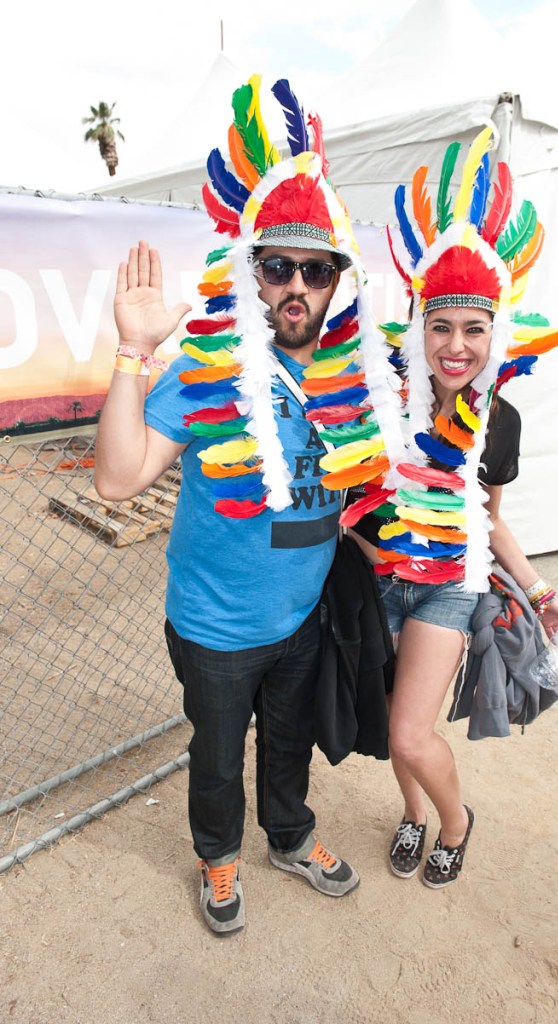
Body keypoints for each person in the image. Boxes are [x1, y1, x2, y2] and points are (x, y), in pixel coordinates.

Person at [93, 75, 397, 935]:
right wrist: (132, 350)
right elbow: (117, 480)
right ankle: (218, 855)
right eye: (277, 266)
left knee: (289, 747)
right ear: (251, 272)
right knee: (219, 760)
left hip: (301, 619)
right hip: (215, 627)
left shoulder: (353, 381)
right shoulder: (203, 367)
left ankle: (291, 837)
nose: (295, 284)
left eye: (315, 268)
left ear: (337, 281)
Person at [316, 128, 558, 889]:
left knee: (408, 730)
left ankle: (456, 822)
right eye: (441, 326)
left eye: (472, 329)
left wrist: (541, 594)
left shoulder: (501, 421)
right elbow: (352, 487)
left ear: (495, 334)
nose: (455, 345)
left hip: (448, 584)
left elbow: (487, 518)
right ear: (419, 325)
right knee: (395, 734)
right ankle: (412, 814)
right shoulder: (385, 398)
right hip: (379, 580)